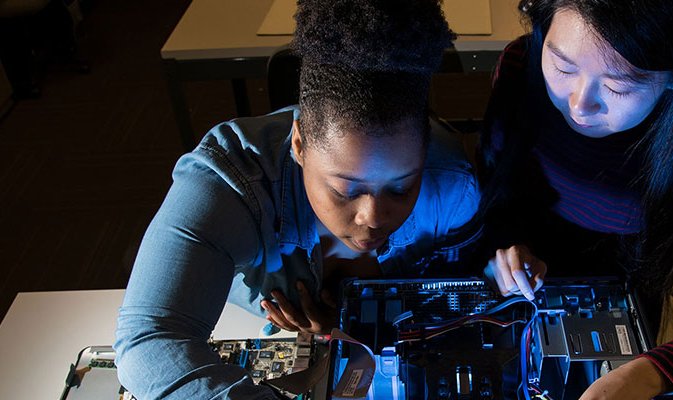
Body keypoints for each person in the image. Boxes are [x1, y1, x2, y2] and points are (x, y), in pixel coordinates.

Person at [113, 1, 480, 398]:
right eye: (345, 189)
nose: (372, 217)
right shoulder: (230, 180)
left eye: (400, 187)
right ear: (299, 143)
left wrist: (347, 330)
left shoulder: (453, 186)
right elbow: (148, 342)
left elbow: (462, 314)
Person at [478, 1, 673, 399]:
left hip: (626, 290)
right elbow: (494, 187)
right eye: (563, 67)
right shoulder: (519, 66)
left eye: (619, 85)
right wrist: (503, 248)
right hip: (513, 285)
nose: (580, 104)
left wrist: (647, 376)